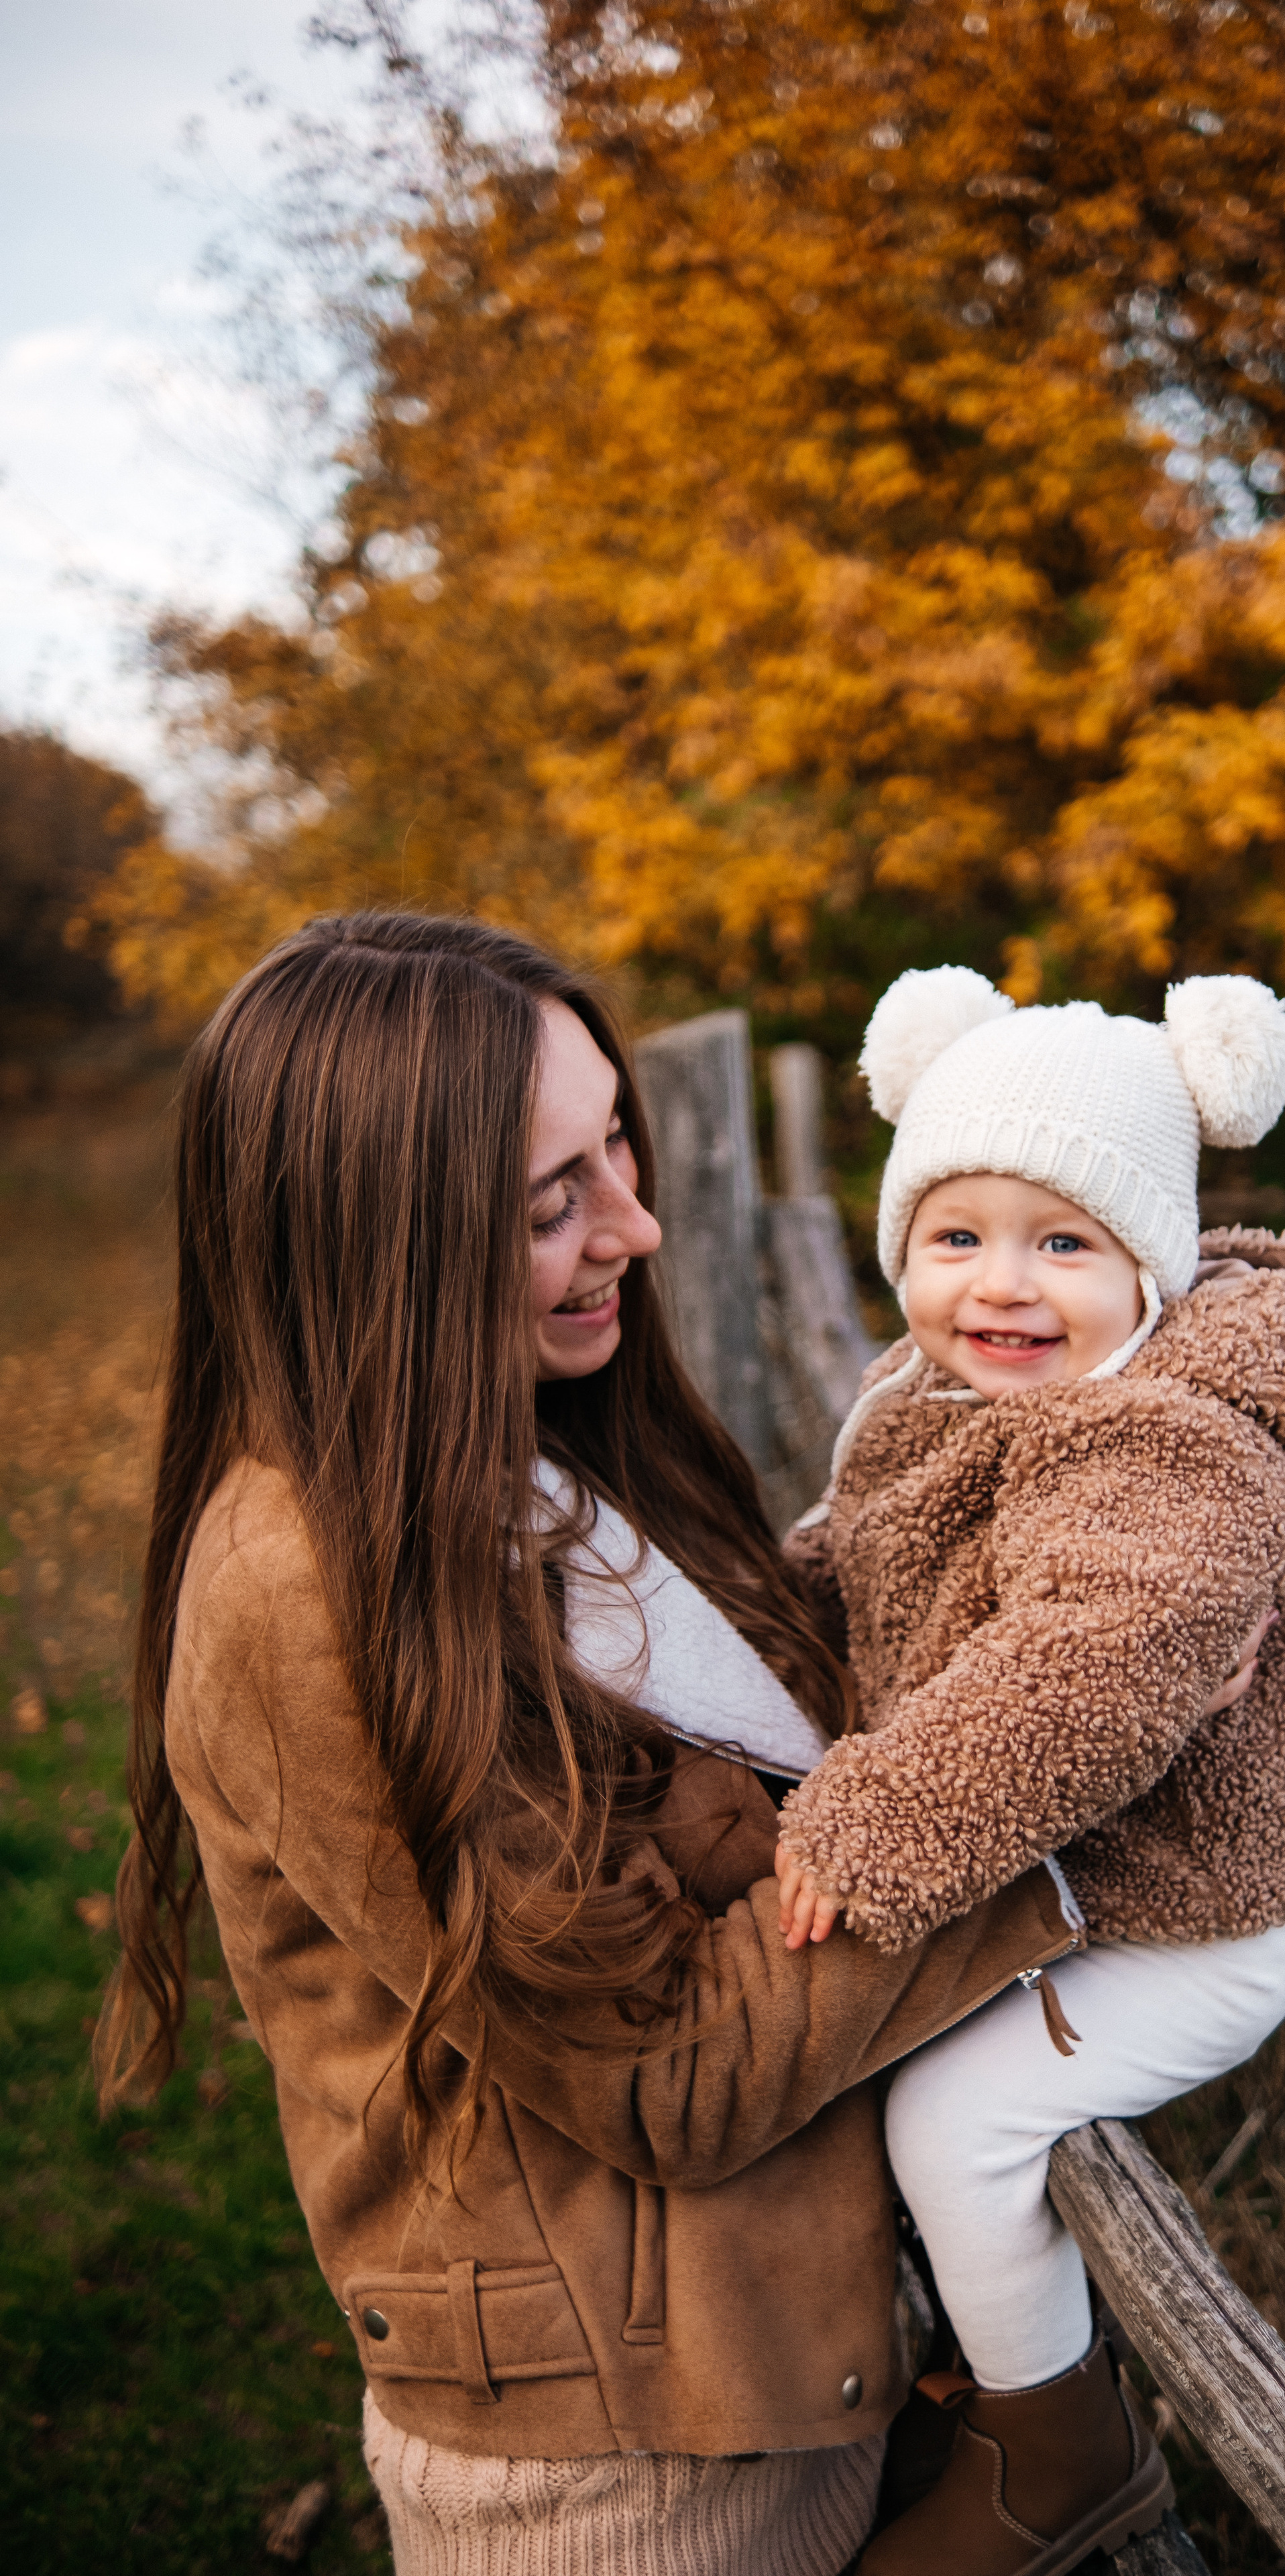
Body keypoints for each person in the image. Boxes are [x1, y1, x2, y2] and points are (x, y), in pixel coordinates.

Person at [95, 914, 1127, 2576]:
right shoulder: (301, 1596)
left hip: (780, 2354)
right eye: (547, 1201)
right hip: (623, 2474)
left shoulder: (546, 1444)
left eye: (617, 1149)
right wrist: (1031, 1809)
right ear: (379, 1241)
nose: (636, 1227)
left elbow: (768, 1762)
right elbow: (661, 2081)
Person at [773, 965, 1285, 2575]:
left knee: (957, 2121)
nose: (1001, 1286)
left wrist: (873, 1812)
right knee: (856, 2072)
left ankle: (1054, 2451)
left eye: (1061, 1244)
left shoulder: (1170, 1446)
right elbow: (863, 1555)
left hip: (1187, 1926)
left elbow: (1093, 1666)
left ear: (1143, 1265)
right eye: (957, 1238)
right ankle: (954, 2344)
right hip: (1063, 1891)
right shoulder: (928, 1389)